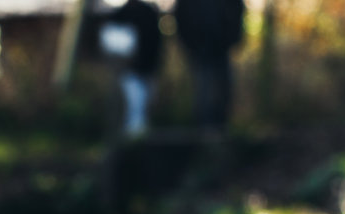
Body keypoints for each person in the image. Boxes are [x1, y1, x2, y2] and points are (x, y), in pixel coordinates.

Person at [173, 0, 245, 128]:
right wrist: (191, 44)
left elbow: (237, 10)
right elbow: (180, 17)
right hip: (199, 50)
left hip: (222, 49)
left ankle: (221, 129)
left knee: (224, 90)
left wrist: (233, 39)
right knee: (203, 92)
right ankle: (204, 131)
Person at [98, 0, 163, 137]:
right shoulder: (123, 13)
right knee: (134, 104)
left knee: (142, 104)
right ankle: (131, 137)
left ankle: (136, 137)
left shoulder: (142, 12)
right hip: (132, 69)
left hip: (144, 67)